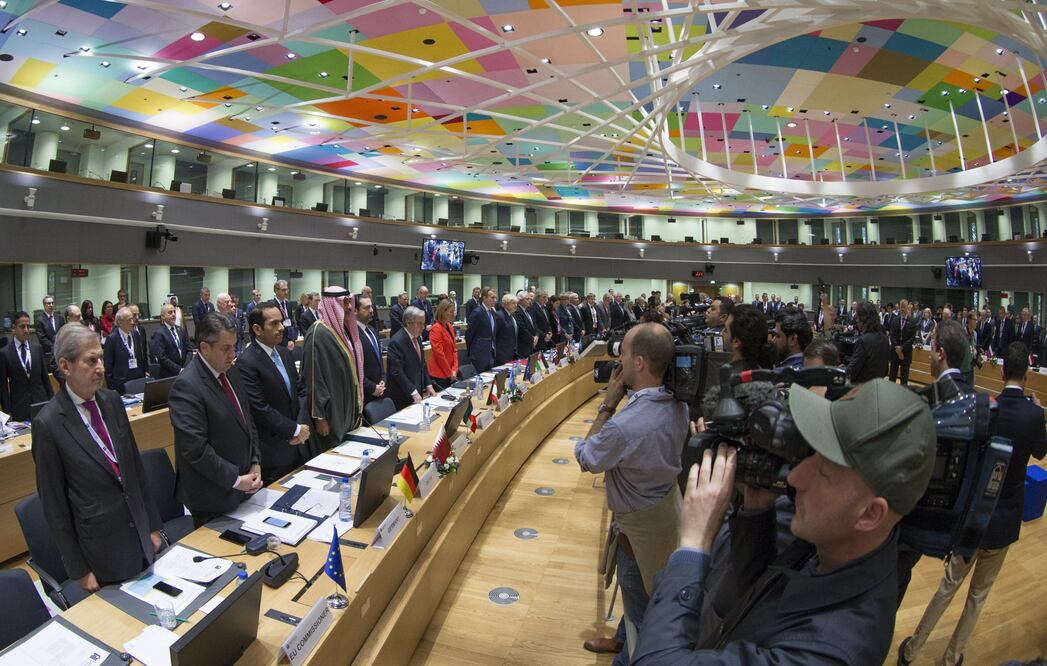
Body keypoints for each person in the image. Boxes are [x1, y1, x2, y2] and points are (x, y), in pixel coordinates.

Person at [633, 378, 935, 664]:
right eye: (810, 456)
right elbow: (758, 591)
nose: (794, 477)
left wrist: (693, 545)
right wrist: (756, 509)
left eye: (823, 472)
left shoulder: (831, 650)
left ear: (870, 514)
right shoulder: (838, 540)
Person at [899, 341, 1047, 666]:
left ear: (1004, 369)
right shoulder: (1035, 415)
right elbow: (1039, 452)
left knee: (947, 587)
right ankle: (952, 658)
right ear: (1026, 373)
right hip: (1006, 519)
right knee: (978, 598)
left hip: (974, 517)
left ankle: (912, 649)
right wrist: (1038, 411)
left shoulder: (986, 406)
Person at [575, 323, 689, 659]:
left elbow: (587, 457)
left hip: (637, 531)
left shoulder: (625, 426)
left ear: (639, 363)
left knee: (642, 609)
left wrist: (608, 405)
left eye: (622, 352)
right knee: (645, 593)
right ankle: (624, 639)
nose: (618, 359)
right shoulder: (678, 404)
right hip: (666, 512)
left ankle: (632, 654)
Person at [33, 325, 164, 591]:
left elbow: (135, 469)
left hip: (140, 534)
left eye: (101, 358)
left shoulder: (112, 401)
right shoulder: (48, 425)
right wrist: (79, 570)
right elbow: (55, 506)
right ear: (65, 366)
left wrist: (152, 525)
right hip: (102, 551)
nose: (101, 368)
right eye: (91, 361)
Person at [168, 313, 261, 527]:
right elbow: (196, 450)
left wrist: (255, 461)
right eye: (225, 348)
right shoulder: (187, 386)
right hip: (212, 496)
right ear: (204, 348)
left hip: (245, 486)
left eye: (235, 346)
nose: (232, 354)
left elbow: (248, 422)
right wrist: (236, 480)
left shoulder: (231, 372)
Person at [237, 304, 311, 486]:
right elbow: (259, 409)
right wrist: (293, 429)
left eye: (282, 322)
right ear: (257, 329)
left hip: (298, 445)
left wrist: (300, 427)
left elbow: (300, 391)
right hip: (273, 452)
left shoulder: (285, 354)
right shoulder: (247, 362)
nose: (282, 328)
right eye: (274, 323)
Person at [301, 287, 364, 457]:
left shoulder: (342, 330)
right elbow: (313, 378)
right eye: (344, 302)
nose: (349, 307)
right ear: (331, 304)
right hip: (330, 411)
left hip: (345, 401)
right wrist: (319, 417)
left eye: (348, 301)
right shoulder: (318, 333)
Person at [0, 311, 54, 421]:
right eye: (22, 326)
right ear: (14, 328)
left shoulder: (37, 349)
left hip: (41, 404)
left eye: (28, 326)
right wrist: (7, 412)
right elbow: (3, 387)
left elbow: (45, 380)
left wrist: (52, 402)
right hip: (19, 408)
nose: (26, 330)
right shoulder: (5, 353)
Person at [386, 306, 435, 409]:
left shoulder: (417, 337)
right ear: (408, 323)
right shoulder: (396, 342)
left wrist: (428, 385)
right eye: (420, 323)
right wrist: (413, 391)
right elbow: (397, 372)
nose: (423, 327)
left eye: (424, 323)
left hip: (417, 392)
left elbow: (422, 363)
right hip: (403, 395)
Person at [103, 307, 147, 394]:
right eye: (129, 320)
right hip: (120, 384)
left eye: (132, 319)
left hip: (137, 381)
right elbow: (108, 367)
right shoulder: (112, 339)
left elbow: (140, 358)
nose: (132, 322)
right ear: (120, 322)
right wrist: (112, 389)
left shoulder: (136, 335)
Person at [353, 294, 386, 406]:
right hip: (364, 394)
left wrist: (382, 379)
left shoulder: (372, 330)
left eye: (371, 307)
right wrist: (372, 388)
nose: (371, 310)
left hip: (380, 389)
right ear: (355, 311)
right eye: (366, 308)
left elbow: (379, 360)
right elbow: (356, 368)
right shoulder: (353, 335)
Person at [846, 301, 889, 384]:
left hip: (861, 389)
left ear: (863, 318)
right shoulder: (885, 339)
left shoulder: (863, 340)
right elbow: (885, 371)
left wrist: (839, 369)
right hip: (877, 387)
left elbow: (851, 372)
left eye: (858, 317)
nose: (856, 320)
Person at [149, 302, 193, 378]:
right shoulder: (159, 333)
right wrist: (179, 369)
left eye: (174, 312)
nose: (173, 315)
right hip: (169, 375)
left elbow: (189, 350)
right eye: (170, 313)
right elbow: (162, 357)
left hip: (184, 372)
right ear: (163, 316)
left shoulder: (181, 330)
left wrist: (185, 367)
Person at [427, 299, 459, 391]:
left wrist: (454, 369)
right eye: (451, 312)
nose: (454, 314)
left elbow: (454, 350)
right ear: (443, 312)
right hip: (439, 374)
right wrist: (450, 373)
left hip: (451, 373)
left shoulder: (449, 326)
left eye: (454, 311)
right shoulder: (436, 329)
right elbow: (439, 355)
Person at [466, 286, 498, 373]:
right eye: (492, 297)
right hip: (479, 354)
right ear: (484, 298)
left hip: (490, 352)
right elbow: (469, 334)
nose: (495, 300)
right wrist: (471, 352)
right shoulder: (477, 312)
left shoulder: (492, 313)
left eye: (495, 298)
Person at [889, 299, 919, 385]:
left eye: (904, 307)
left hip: (906, 353)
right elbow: (892, 335)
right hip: (895, 352)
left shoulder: (913, 321)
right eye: (901, 307)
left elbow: (912, 338)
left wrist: (902, 348)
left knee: (904, 379)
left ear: (908, 308)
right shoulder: (895, 320)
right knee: (892, 377)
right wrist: (898, 350)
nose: (902, 309)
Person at [35, 294, 64, 368]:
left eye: (52, 303)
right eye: (48, 303)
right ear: (44, 305)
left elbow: (63, 333)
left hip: (61, 352)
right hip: (48, 354)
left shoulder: (59, 318)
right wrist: (54, 347)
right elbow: (42, 338)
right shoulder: (40, 320)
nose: (51, 305)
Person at [268, 280, 297, 348]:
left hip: (290, 342)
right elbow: (273, 327)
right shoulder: (271, 305)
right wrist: (285, 343)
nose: (286, 292)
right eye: (283, 290)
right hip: (278, 343)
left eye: (287, 290)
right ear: (276, 290)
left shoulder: (288, 304)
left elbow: (292, 323)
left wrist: (292, 340)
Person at [495, 294, 520, 364]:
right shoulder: (499, 315)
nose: (516, 305)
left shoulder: (513, 315)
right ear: (505, 304)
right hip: (502, 354)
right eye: (513, 303)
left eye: (516, 303)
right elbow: (495, 335)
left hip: (512, 352)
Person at [515, 291, 539, 359]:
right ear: (520, 300)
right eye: (527, 299)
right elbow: (523, 328)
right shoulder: (517, 311)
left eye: (530, 299)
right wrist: (532, 338)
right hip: (524, 345)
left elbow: (535, 325)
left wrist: (537, 335)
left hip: (533, 343)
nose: (530, 301)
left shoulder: (529, 310)